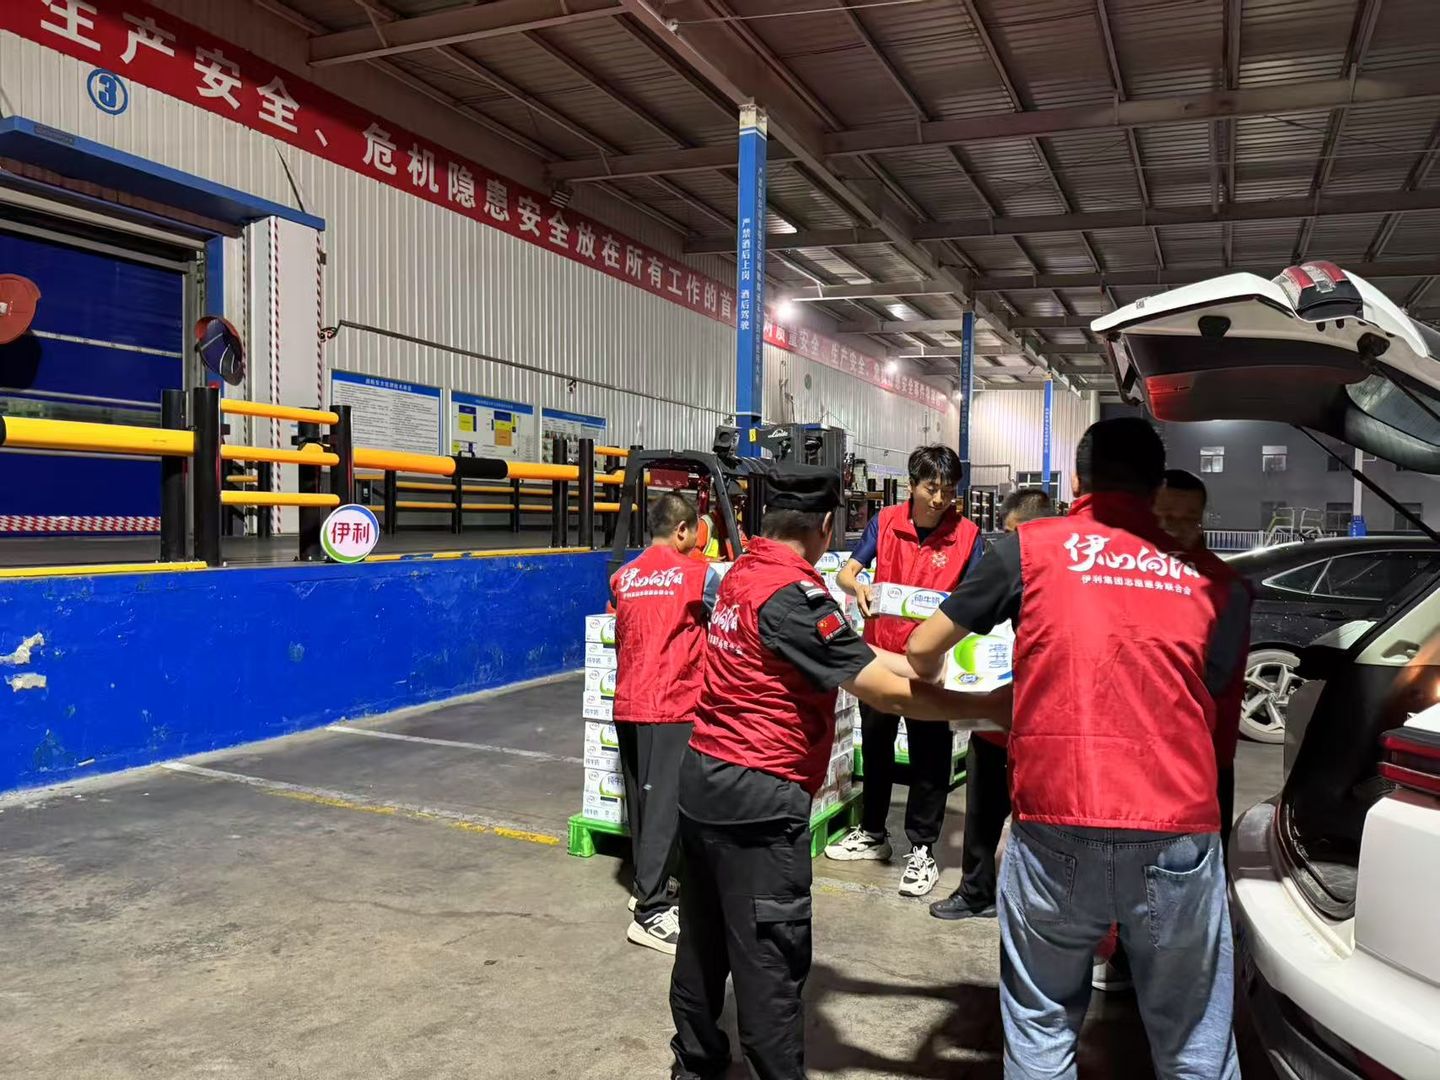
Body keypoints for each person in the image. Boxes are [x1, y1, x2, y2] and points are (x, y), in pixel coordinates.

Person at [907, 419, 1251, 1080]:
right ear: (1157, 488)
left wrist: (958, 685)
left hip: (1057, 818)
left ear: (1076, 479)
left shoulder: (1029, 548)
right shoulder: (1207, 581)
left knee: (1041, 1028)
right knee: (1195, 1043)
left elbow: (924, 647)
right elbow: (1203, 693)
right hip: (1177, 823)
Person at [669, 462, 1009, 1080]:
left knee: (703, 939)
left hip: (703, 781)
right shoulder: (795, 597)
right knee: (770, 960)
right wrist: (987, 706)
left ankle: (694, 1064)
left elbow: (849, 653)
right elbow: (884, 693)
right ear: (827, 525)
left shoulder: (744, 571)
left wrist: (917, 664)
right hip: (759, 796)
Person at [1090, 467, 1244, 993]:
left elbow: (1213, 676)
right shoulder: (1127, 570)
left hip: (1196, 761)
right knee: (1127, 863)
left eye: (1188, 519)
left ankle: (1179, 973)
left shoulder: (1221, 586)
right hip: (1129, 754)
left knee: (1182, 874)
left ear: (1202, 520)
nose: (1176, 527)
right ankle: (1124, 958)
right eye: (1166, 516)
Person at [823, 445, 984, 898]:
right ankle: (873, 832)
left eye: (948, 490)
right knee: (876, 747)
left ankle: (923, 849)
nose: (939, 499)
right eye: (931, 488)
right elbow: (848, 572)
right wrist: (858, 586)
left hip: (930, 667)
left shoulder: (968, 535)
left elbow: (979, 597)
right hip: (879, 656)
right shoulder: (886, 522)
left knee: (930, 756)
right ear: (911, 485)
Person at [930, 486, 1053, 922]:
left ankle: (1034, 901)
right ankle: (976, 890)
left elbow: (925, 644)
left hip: (1040, 720)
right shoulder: (998, 569)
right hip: (995, 714)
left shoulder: (1055, 574)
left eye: (1014, 535)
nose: (1009, 545)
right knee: (982, 806)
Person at [610, 493, 721, 956]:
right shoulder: (699, 575)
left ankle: (648, 884)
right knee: (664, 808)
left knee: (642, 805)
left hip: (628, 702)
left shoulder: (624, 577)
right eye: (695, 533)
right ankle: (651, 911)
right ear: (682, 530)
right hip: (671, 703)